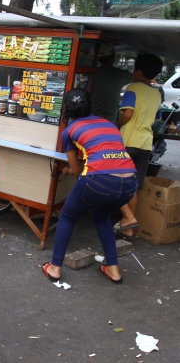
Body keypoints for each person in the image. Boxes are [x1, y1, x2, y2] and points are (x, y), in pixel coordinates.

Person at [42, 89, 138, 285]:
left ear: (66, 109)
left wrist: (68, 170)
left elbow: (77, 170)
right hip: (129, 182)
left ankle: (55, 268)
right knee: (101, 217)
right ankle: (113, 269)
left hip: (99, 180)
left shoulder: (69, 131)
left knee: (68, 215)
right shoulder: (110, 124)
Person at [114, 53, 163, 239]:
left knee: (114, 180)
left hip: (128, 142)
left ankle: (125, 218)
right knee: (133, 185)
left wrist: (115, 126)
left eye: (134, 69)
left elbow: (127, 114)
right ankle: (129, 227)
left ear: (139, 72)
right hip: (145, 143)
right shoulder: (157, 93)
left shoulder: (133, 88)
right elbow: (156, 118)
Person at [91, 42, 132, 122]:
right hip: (109, 119)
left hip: (90, 117)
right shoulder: (120, 75)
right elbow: (137, 76)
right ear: (113, 57)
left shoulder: (92, 73)